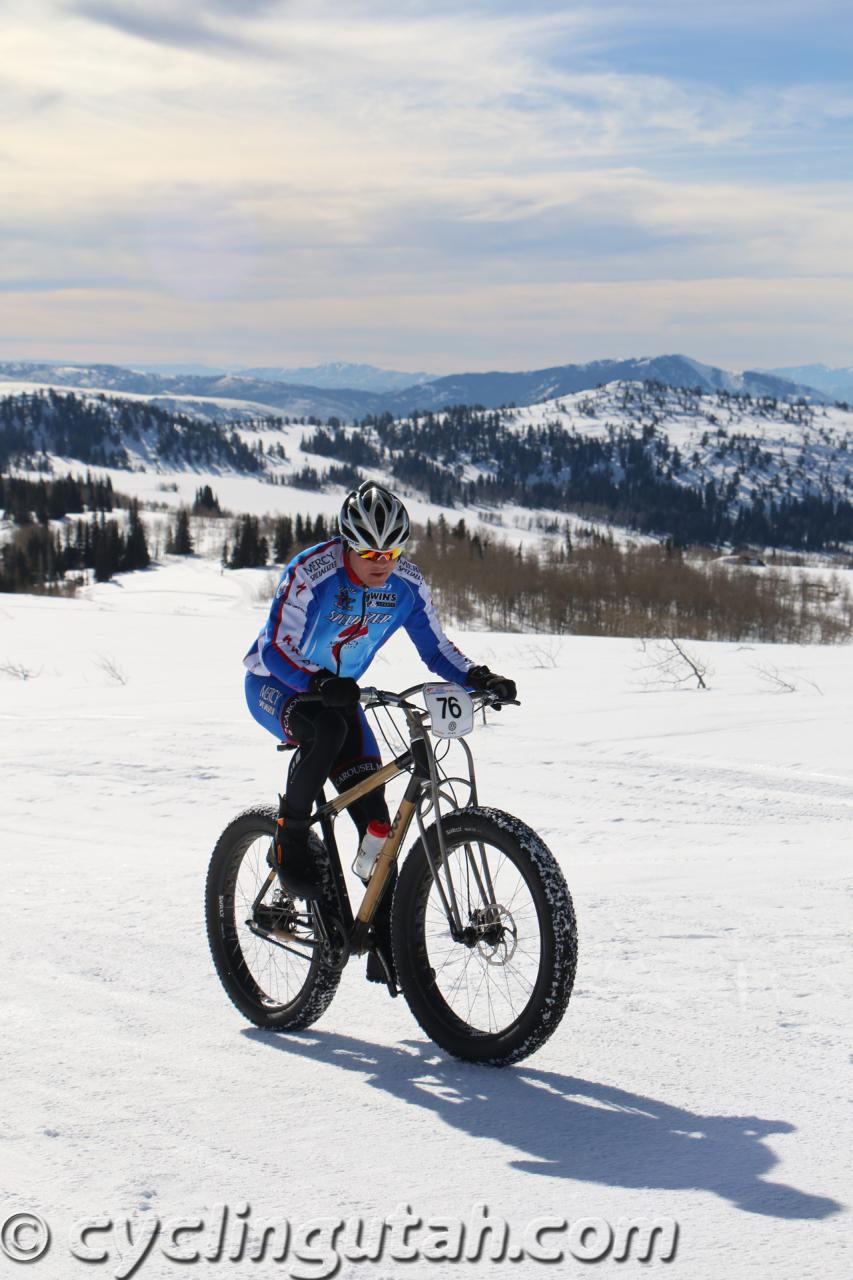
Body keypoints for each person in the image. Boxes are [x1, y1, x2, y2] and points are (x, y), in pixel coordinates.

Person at [243, 481, 516, 976]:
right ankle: (291, 841)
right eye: (369, 551)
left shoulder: (407, 584)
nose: (382, 562)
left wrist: (478, 676)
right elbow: (273, 649)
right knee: (324, 730)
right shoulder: (311, 571)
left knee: (377, 822)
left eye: (392, 551)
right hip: (278, 685)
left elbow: (436, 648)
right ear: (347, 544)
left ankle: (385, 938)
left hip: (339, 695)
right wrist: (318, 679)